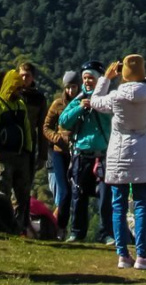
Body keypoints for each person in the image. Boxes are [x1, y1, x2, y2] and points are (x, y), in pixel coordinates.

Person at [91, 56, 146, 270]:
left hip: (118, 154)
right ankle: (142, 255)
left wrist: (105, 79)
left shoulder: (115, 97)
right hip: (142, 154)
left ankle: (123, 254)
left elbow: (95, 100)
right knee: (141, 204)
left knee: (118, 205)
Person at [58, 63, 111, 243]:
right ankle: (77, 232)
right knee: (78, 195)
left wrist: (97, 106)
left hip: (103, 154)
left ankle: (106, 233)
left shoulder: (107, 98)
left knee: (105, 196)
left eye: (91, 78)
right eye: (85, 78)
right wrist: (80, 107)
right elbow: (63, 121)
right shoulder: (79, 98)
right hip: (82, 153)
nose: (88, 81)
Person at [0, 68, 37, 237]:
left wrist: (28, 151)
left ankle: (17, 227)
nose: (19, 91)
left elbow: (27, 129)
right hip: (2, 156)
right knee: (1, 193)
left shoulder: (20, 105)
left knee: (22, 194)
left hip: (21, 156)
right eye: (17, 88)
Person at [44, 71, 81, 237]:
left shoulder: (83, 103)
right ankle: (60, 228)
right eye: (69, 87)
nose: (71, 91)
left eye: (74, 87)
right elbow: (46, 127)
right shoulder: (57, 104)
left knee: (78, 192)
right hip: (59, 153)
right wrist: (57, 138)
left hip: (78, 152)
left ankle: (76, 230)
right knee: (64, 192)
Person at [17, 60, 51, 174]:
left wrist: (42, 155)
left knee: (25, 184)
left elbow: (43, 127)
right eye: (21, 75)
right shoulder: (11, 95)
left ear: (33, 77)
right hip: (9, 145)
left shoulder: (39, 98)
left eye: (27, 76)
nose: (24, 78)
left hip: (29, 146)